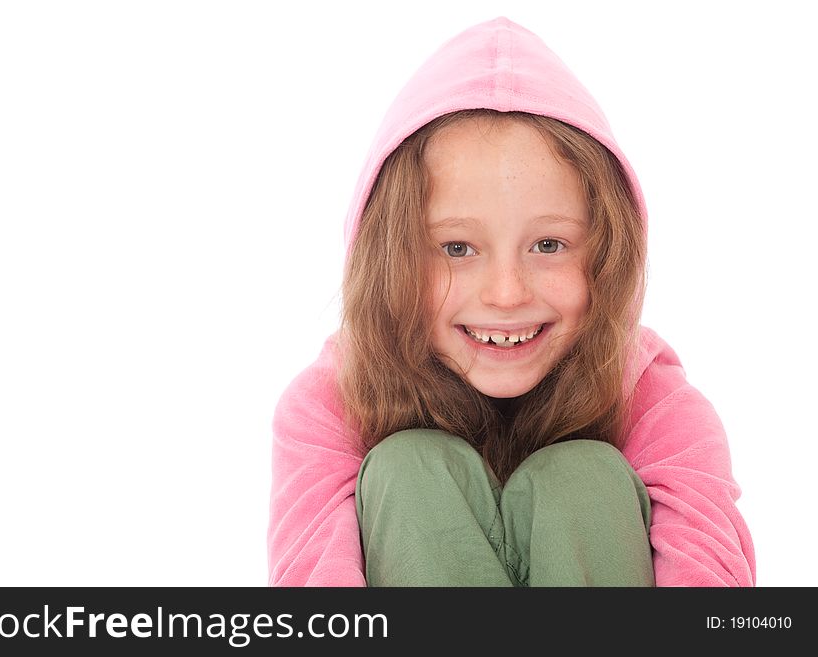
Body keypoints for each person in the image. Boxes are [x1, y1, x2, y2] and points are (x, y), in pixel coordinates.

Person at [268, 17, 756, 586]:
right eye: (457, 247)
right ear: (392, 255)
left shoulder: (653, 398)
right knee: (411, 466)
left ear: (605, 252)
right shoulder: (328, 403)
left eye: (548, 245)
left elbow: (710, 583)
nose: (506, 293)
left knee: (583, 475)